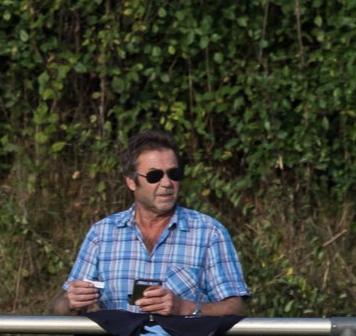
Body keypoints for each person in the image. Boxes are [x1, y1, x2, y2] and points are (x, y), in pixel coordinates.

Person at [52, 129, 249, 318]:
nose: (166, 183)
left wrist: (184, 307)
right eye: (155, 176)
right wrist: (72, 301)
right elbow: (60, 309)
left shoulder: (209, 232)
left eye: (174, 174)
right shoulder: (102, 234)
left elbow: (236, 307)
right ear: (131, 182)